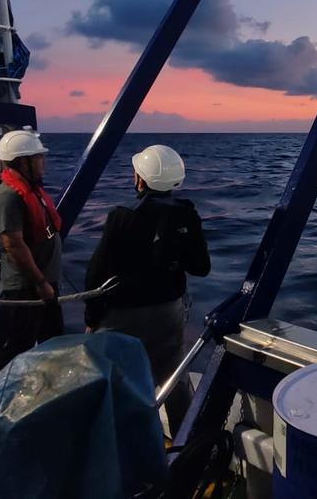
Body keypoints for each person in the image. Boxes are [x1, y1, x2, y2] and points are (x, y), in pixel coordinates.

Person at [85, 145, 210, 434]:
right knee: (173, 378)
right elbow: (201, 267)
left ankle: (122, 447)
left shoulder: (121, 215)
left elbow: (96, 273)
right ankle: (185, 445)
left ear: (140, 180)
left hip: (122, 317)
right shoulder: (187, 215)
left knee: (118, 381)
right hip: (169, 313)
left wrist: (92, 317)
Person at [0, 129, 64, 380]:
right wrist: (41, 283)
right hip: (28, 287)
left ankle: (45, 387)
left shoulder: (29, 189)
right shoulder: (8, 197)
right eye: (39, 157)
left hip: (43, 284)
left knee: (51, 340)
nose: (43, 162)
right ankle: (2, 393)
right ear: (24, 162)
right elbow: (14, 245)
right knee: (19, 345)